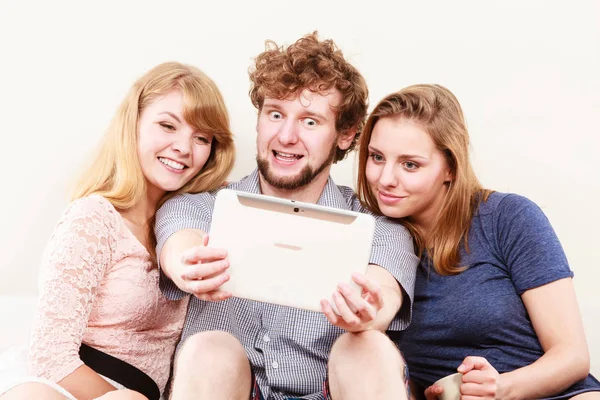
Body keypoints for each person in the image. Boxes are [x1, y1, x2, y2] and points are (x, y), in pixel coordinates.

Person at [155, 32, 419, 400]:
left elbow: (384, 293)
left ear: (345, 135)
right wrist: (189, 265)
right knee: (208, 349)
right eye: (275, 114)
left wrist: (367, 311)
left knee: (367, 347)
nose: (287, 135)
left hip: (330, 390)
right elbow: (179, 243)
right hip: (231, 388)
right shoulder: (200, 206)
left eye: (310, 121)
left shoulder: (378, 228)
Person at [0, 62, 236, 400]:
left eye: (201, 138)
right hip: (65, 383)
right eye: (167, 125)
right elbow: (51, 357)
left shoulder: (194, 226)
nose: (184, 147)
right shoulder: (94, 217)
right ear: (133, 125)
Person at [356, 83, 600, 399]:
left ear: (451, 168)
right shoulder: (375, 248)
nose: (385, 178)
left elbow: (573, 356)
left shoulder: (507, 217)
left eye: (410, 164)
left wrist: (502, 388)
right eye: (376, 157)